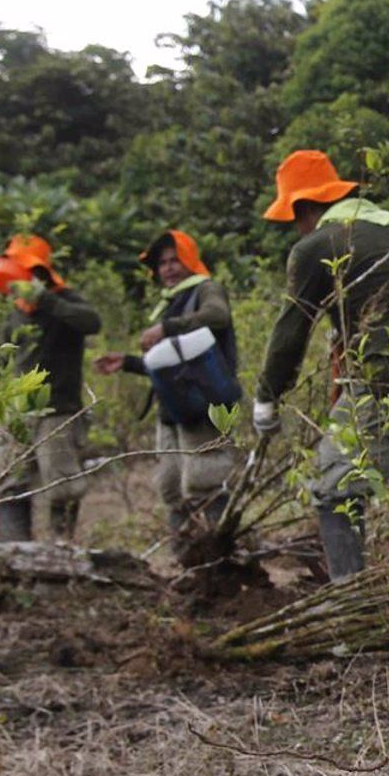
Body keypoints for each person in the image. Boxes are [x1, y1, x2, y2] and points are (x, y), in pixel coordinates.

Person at [252, 150, 389, 581]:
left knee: (334, 489)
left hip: (383, 378)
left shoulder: (318, 245)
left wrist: (267, 397)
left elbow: (291, 331)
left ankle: (351, 600)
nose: (296, 227)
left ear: (304, 207)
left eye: (293, 217)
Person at [93, 230, 240, 551]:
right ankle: (184, 562)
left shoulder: (206, 289)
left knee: (206, 480)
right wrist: (129, 362)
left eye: (175, 260)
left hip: (205, 406)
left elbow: (218, 316)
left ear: (190, 259)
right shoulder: (171, 302)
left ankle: (221, 559)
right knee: (171, 487)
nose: (169, 268)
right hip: (174, 409)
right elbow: (172, 364)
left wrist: (167, 327)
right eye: (162, 263)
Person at [0, 234, 102, 541]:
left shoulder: (65, 300)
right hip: (17, 409)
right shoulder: (16, 312)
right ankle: (14, 553)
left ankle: (61, 552)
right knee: (8, 482)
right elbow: (2, 354)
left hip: (58, 409)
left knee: (63, 485)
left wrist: (47, 300)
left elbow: (92, 322)